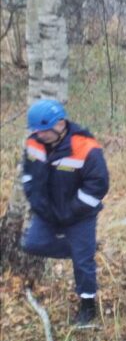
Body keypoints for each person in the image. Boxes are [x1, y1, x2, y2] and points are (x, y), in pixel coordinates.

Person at [21, 99, 109, 326]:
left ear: (60, 124)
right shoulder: (34, 143)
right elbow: (28, 174)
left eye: (43, 132)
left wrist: (71, 211)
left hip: (79, 215)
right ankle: (81, 251)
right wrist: (37, 202)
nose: (39, 136)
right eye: (36, 132)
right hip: (47, 213)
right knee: (33, 244)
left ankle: (87, 307)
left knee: (83, 264)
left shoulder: (86, 147)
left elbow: (98, 186)